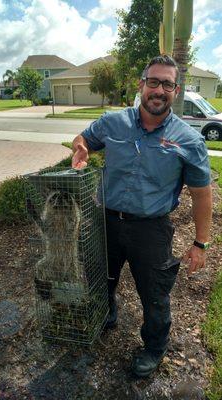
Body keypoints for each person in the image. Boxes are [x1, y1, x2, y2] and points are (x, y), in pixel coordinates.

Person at [72, 55, 212, 378]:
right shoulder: (113, 123)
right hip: (105, 220)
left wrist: (201, 243)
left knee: (155, 295)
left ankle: (153, 347)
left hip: (151, 230)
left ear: (175, 91)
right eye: (153, 82)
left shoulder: (189, 141)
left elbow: (202, 193)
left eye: (167, 84)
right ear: (141, 85)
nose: (158, 90)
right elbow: (85, 139)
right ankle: (106, 314)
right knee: (100, 277)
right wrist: (81, 147)